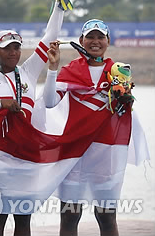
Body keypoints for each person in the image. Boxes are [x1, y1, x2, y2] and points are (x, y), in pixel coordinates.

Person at [0, 0, 66, 236]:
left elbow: (49, 36)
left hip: (26, 155)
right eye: (7, 48)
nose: (13, 52)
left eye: (16, 47)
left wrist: (59, 4)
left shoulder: (30, 72)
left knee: (23, 221)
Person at [43, 19, 149, 236]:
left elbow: (123, 112)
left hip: (106, 154)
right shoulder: (70, 70)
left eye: (100, 37)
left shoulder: (118, 72)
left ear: (108, 41)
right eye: (90, 37)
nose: (95, 41)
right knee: (70, 216)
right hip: (74, 154)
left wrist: (125, 95)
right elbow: (49, 102)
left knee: (107, 217)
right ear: (81, 40)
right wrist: (53, 69)